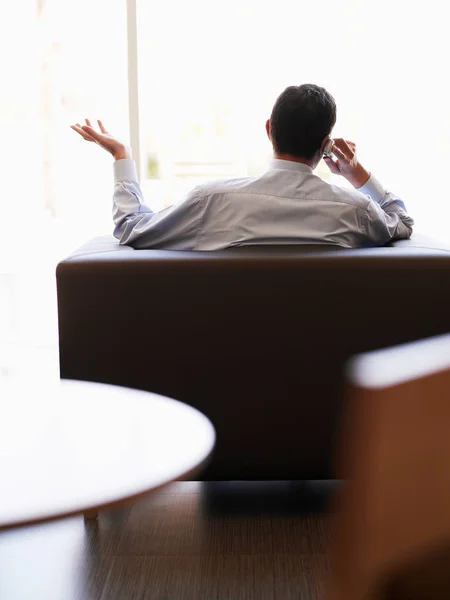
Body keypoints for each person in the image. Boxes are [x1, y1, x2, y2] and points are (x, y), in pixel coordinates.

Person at [71, 83, 413, 250]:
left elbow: (131, 229)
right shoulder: (356, 211)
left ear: (269, 129)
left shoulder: (211, 201)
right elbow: (402, 222)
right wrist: (357, 174)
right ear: (326, 145)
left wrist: (122, 156)